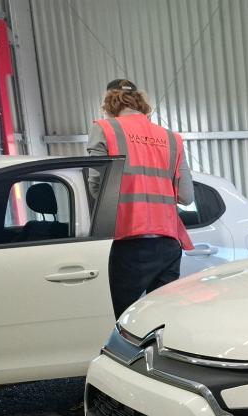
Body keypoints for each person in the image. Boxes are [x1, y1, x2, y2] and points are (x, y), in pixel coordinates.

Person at [86, 78, 195, 317]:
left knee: (124, 321)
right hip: (168, 243)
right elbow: (186, 196)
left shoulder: (105, 129)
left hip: (127, 242)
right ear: (140, 102)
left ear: (109, 104)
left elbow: (96, 189)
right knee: (164, 319)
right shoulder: (171, 138)